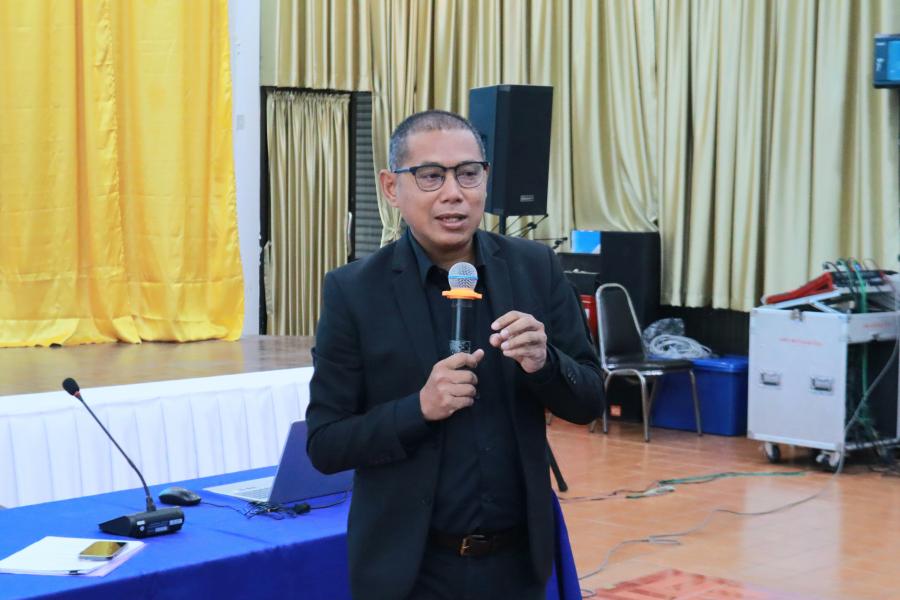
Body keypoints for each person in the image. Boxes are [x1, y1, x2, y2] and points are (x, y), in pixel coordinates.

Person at [306, 110, 604, 600]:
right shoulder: (354, 291)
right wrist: (418, 409)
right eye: (430, 176)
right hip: (410, 572)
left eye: (468, 174)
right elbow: (326, 443)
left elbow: (589, 399)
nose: (453, 193)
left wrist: (545, 363)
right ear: (391, 187)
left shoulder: (535, 268)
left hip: (516, 567)